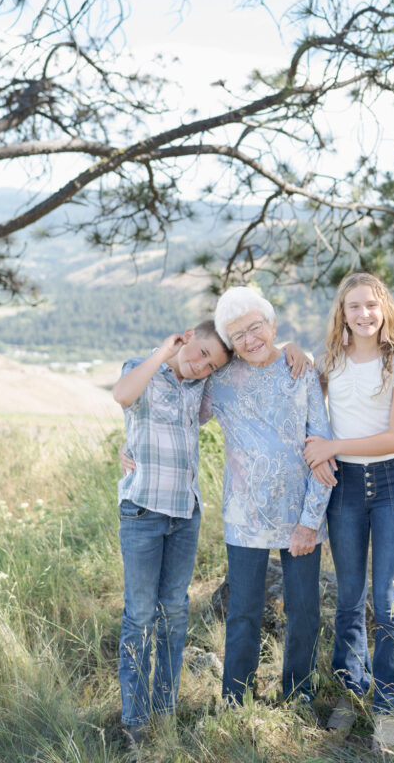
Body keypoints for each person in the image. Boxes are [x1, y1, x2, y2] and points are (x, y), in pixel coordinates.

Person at [302, 272, 394, 755]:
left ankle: (390, 703)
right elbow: (303, 397)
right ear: (342, 313)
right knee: (350, 597)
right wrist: (291, 348)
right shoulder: (329, 362)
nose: (364, 314)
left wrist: (334, 444)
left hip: (393, 483)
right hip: (345, 488)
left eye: (372, 305)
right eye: (354, 306)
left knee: (389, 601)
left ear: (384, 309)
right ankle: (352, 691)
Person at [202, 285, 334, 708]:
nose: (250, 338)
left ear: (272, 325)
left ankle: (299, 695)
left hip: (299, 514)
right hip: (244, 516)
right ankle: (235, 700)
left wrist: (311, 520)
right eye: (238, 334)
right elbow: (180, 408)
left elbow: (322, 446)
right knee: (242, 612)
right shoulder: (219, 383)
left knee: (303, 610)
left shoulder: (302, 370)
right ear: (230, 343)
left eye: (256, 327)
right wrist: (131, 441)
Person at [112, 321, 231, 753]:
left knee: (174, 614)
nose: (200, 366)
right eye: (199, 353)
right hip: (143, 512)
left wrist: (289, 348)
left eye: (211, 364)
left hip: (185, 514)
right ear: (186, 338)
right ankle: (135, 722)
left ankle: (166, 710)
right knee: (140, 617)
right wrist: (164, 352)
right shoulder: (145, 368)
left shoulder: (199, 389)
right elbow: (122, 396)